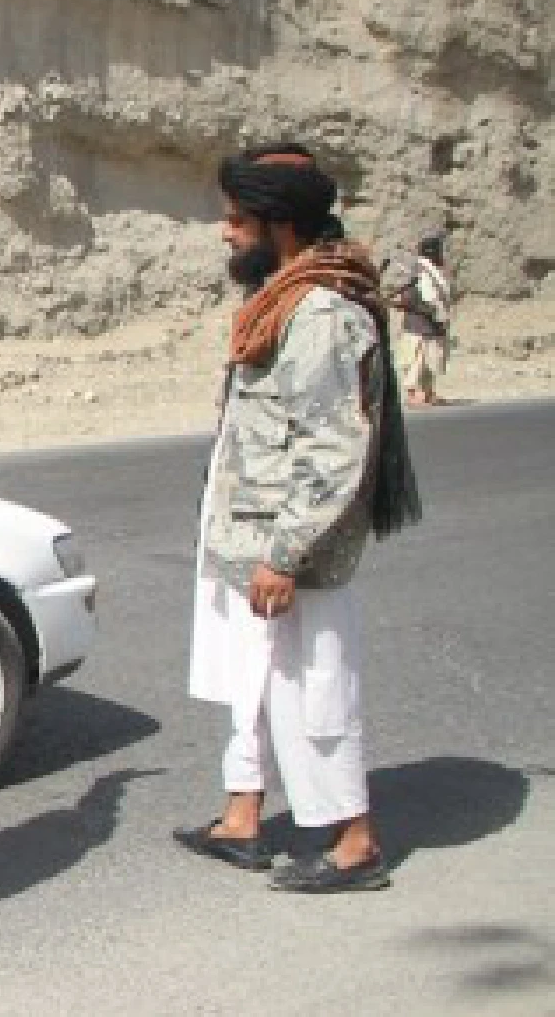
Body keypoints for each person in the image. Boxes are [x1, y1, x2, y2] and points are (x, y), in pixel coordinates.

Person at [175, 143, 421, 893]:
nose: (225, 232)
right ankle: (242, 816)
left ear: (280, 224)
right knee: (252, 678)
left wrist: (285, 553)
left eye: (237, 219)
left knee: (313, 690)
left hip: (287, 550)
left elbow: (333, 446)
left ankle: (353, 842)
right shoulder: (284, 296)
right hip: (249, 535)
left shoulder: (320, 314)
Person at [392, 233, 452, 407]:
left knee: (430, 361)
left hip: (431, 324)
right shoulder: (420, 272)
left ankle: (428, 393)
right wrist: (433, 313)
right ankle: (413, 395)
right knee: (416, 361)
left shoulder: (432, 271)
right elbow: (421, 298)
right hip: (419, 324)